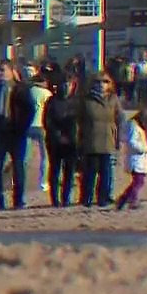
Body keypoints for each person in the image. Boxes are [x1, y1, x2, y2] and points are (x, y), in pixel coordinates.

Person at [0, 63, 34, 210]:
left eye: (3, 70)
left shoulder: (21, 89)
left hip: (17, 133)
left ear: (11, 71)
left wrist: (23, 127)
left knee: (19, 167)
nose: (0, 73)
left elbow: (30, 109)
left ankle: (19, 200)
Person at [77, 71, 123, 208]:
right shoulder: (86, 100)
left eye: (105, 82)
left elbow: (120, 119)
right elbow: (79, 119)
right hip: (90, 139)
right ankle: (87, 198)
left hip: (108, 139)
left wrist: (118, 139)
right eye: (98, 82)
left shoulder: (113, 99)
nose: (101, 85)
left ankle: (104, 198)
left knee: (106, 172)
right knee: (90, 172)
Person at [42, 76, 81, 207]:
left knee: (69, 172)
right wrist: (58, 136)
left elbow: (79, 122)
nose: (66, 87)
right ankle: (54, 199)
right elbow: (47, 121)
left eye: (69, 84)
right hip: (55, 142)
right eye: (63, 84)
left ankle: (66, 198)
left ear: (73, 86)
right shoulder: (52, 101)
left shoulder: (77, 102)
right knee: (55, 170)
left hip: (72, 142)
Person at [118, 99, 147, 210]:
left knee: (138, 181)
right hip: (136, 159)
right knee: (139, 181)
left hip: (140, 159)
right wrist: (145, 149)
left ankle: (123, 199)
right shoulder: (133, 126)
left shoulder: (140, 128)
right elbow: (132, 142)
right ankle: (133, 201)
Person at [26, 74, 53, 193]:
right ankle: (43, 182)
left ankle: (22, 181)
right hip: (42, 126)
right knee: (44, 156)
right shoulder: (47, 94)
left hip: (28, 125)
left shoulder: (29, 92)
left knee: (25, 156)